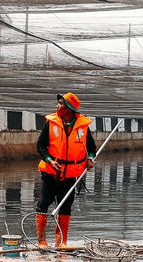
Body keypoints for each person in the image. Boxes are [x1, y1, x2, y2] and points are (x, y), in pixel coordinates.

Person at [34, 92, 96, 247]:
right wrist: (49, 160)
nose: (57, 106)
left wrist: (90, 159)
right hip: (50, 172)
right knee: (43, 202)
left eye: (60, 103)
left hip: (70, 175)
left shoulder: (82, 127)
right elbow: (40, 145)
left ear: (68, 109)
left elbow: (91, 147)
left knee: (65, 206)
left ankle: (61, 242)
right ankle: (41, 240)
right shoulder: (51, 123)